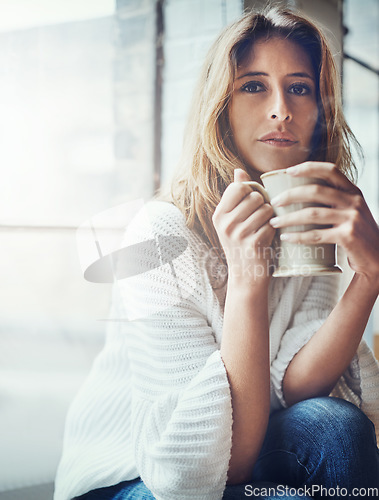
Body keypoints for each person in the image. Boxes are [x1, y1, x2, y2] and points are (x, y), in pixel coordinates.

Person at [54, 6, 379, 500]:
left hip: (241, 444)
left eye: (299, 87)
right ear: (219, 106)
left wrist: (370, 276)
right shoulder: (159, 233)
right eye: (253, 85)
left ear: (320, 110)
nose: (281, 110)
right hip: (135, 474)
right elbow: (214, 469)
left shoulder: (308, 223)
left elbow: (296, 385)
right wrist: (249, 277)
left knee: (335, 426)